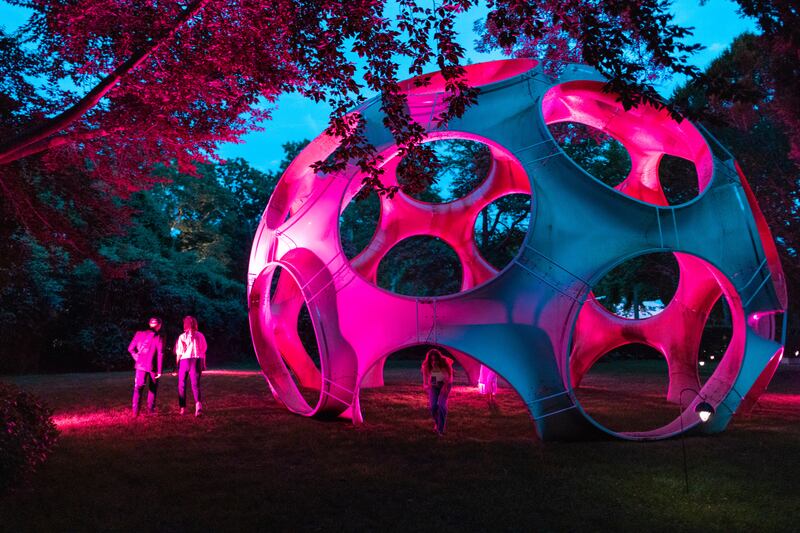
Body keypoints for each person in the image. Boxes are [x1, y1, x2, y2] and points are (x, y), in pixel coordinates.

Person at [127, 317, 165, 416]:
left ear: (149, 324)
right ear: (159, 325)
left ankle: (135, 412)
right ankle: (150, 410)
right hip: (153, 367)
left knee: (138, 388)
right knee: (152, 388)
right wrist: (160, 370)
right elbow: (160, 354)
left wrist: (137, 358)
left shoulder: (139, 334)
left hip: (140, 366)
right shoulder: (158, 337)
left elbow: (130, 349)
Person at [175, 315, 207, 416]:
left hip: (184, 361)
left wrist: (176, 366)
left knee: (181, 385)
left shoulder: (182, 336)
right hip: (196, 361)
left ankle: (182, 408)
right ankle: (198, 406)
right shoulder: (200, 335)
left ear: (185, 324)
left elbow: (179, 353)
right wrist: (203, 363)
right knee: (195, 385)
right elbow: (203, 350)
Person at [421, 348, 454, 436]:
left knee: (442, 406)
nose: (433, 361)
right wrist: (427, 386)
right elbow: (426, 381)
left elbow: (448, 378)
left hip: (445, 383)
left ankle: (440, 429)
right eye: (431, 360)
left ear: (439, 359)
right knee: (433, 407)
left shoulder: (444, 364)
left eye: (435, 359)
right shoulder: (426, 366)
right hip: (434, 385)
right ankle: (438, 423)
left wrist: (444, 387)